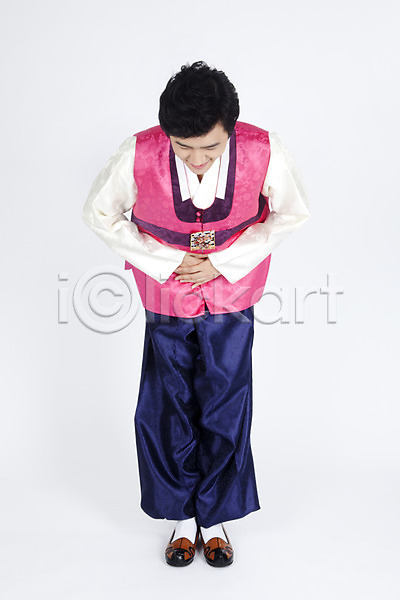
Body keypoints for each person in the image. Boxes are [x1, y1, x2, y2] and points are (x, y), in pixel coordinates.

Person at [81, 60, 310, 568]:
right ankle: (182, 518)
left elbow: (292, 212)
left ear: (231, 129)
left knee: (227, 402)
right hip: (166, 297)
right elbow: (99, 213)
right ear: (167, 131)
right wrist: (165, 260)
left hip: (234, 296)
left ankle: (216, 519)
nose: (199, 159)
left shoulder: (263, 148)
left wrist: (224, 262)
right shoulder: (139, 151)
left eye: (211, 147)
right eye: (184, 148)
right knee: (167, 403)